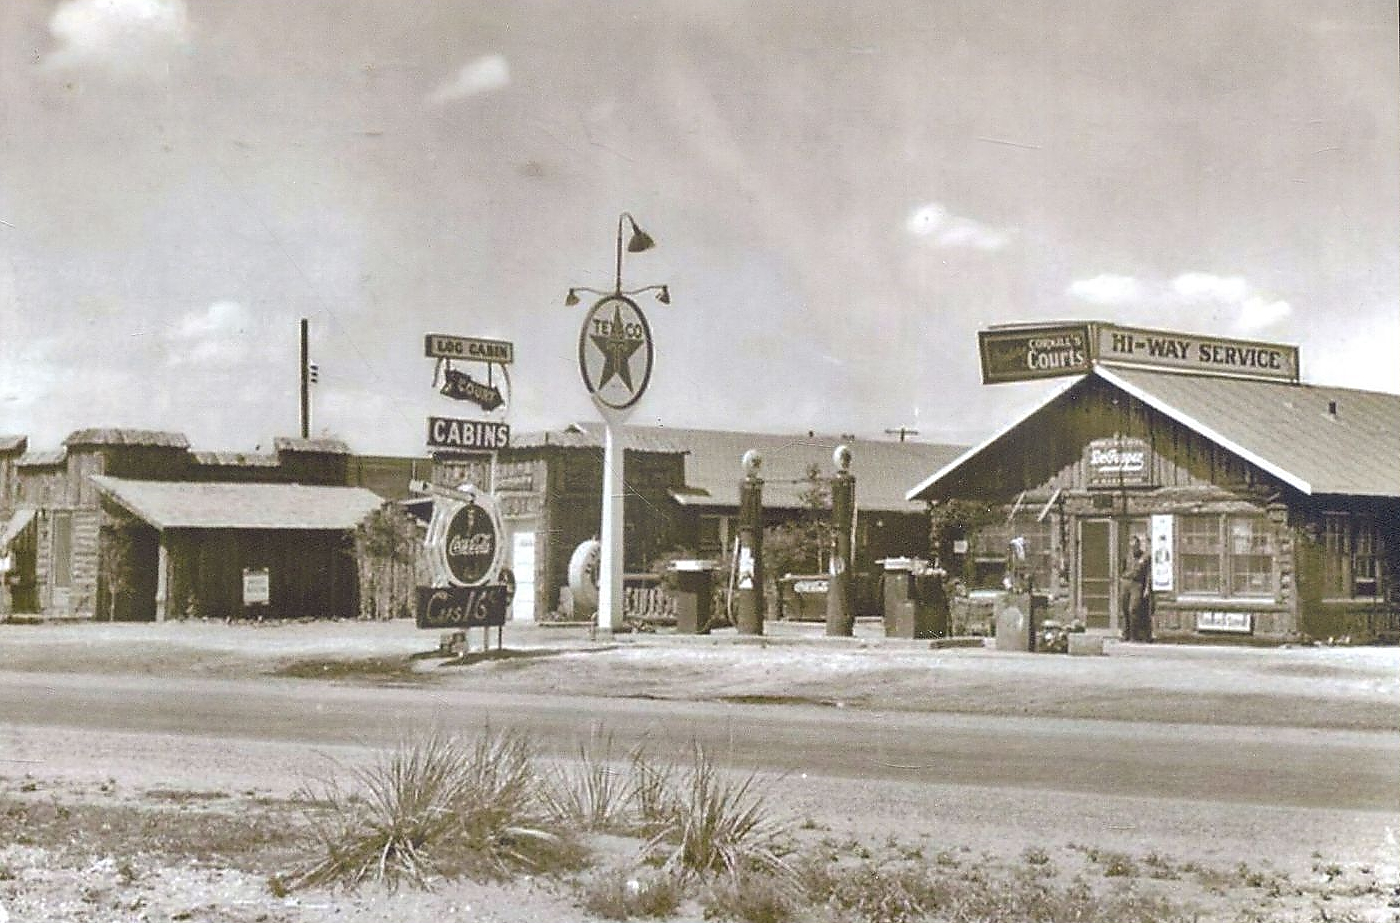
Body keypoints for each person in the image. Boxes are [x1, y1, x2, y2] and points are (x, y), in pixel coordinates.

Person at [1118, 536, 1150, 641]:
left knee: (1133, 609)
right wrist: (1121, 580)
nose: (1133, 548)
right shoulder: (1126, 556)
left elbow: (1148, 574)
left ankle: (1134, 635)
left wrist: (1146, 588)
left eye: (1135, 545)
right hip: (1126, 582)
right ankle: (1125, 634)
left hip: (1137, 584)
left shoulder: (1144, 557)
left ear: (1139, 545)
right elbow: (1121, 569)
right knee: (1124, 608)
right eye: (1131, 546)